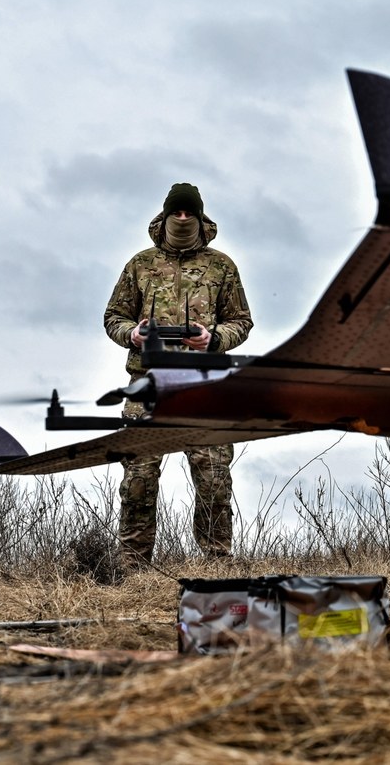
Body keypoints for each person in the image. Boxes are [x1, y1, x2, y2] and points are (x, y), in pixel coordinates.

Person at [104, 182, 253, 566]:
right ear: (166, 215)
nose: (183, 218)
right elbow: (113, 317)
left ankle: (217, 562)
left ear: (200, 217)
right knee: (138, 477)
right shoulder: (140, 264)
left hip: (204, 386)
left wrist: (214, 338)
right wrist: (132, 335)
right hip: (147, 386)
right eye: (177, 212)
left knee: (214, 480)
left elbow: (242, 321)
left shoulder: (222, 266)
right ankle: (133, 566)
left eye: (189, 212)